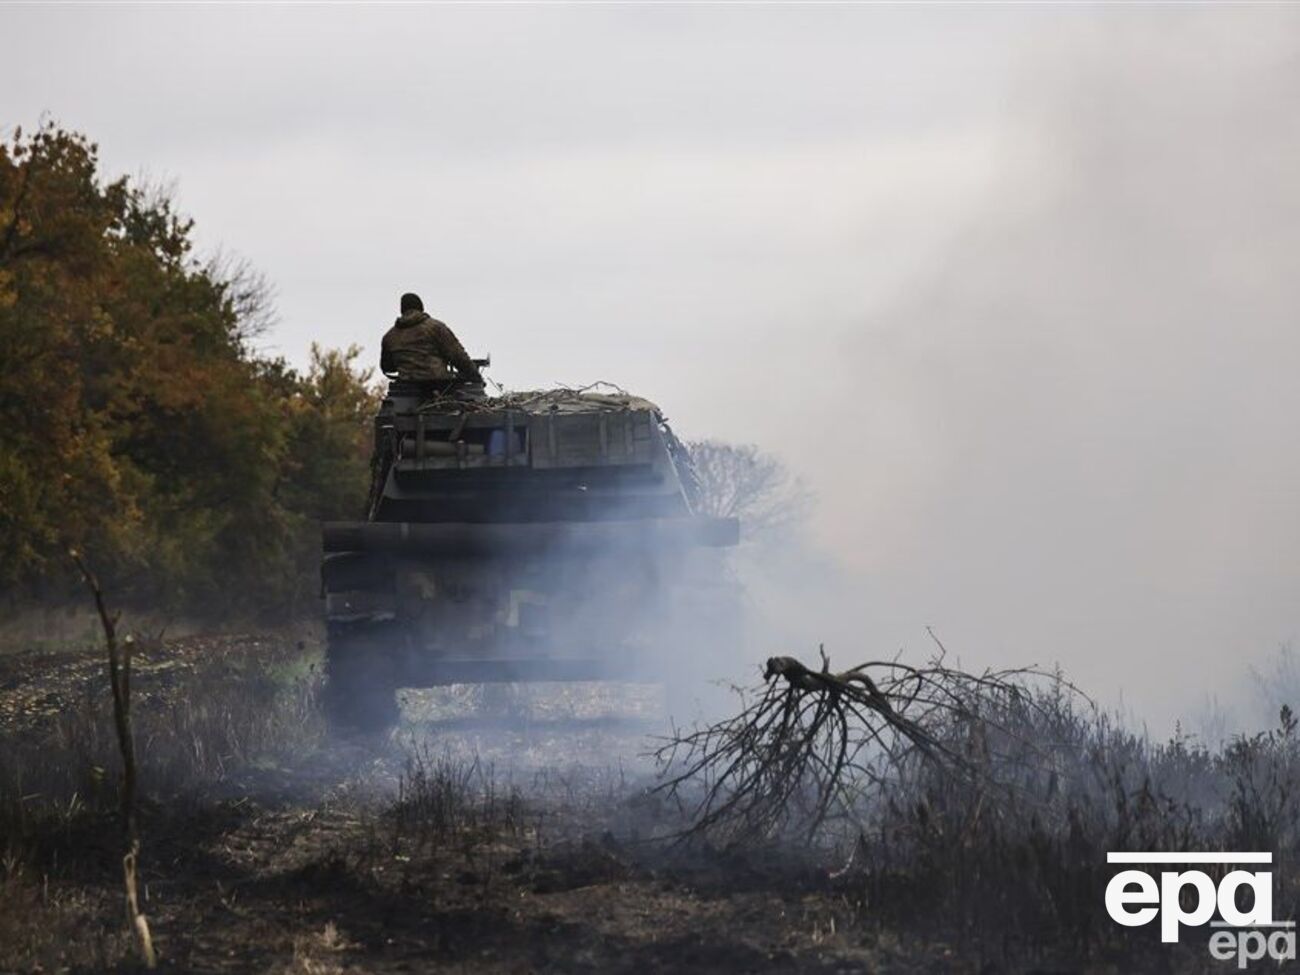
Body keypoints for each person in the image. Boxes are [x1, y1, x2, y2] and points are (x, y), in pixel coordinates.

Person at [380, 292, 483, 384]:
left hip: (405, 390)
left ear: (402, 310)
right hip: (438, 388)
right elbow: (458, 356)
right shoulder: (435, 327)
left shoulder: (389, 336)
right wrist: (476, 377)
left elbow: (387, 367)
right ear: (421, 308)